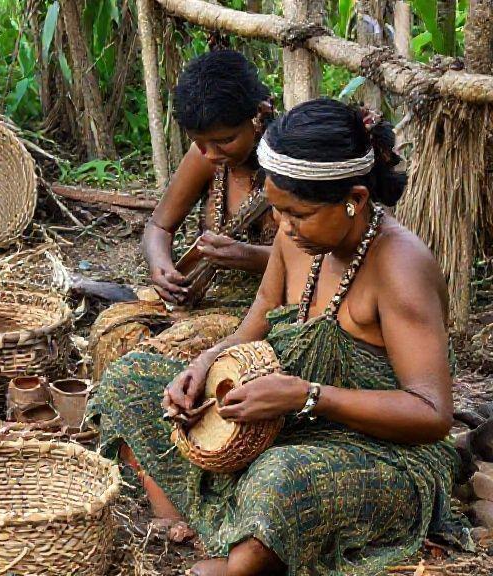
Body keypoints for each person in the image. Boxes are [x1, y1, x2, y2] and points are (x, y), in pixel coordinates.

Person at [88, 98, 471, 575]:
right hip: (288, 424)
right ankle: (192, 527)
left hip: (379, 452)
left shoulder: (400, 266)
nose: (284, 228)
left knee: (280, 480)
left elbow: (432, 415)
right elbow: (253, 328)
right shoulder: (295, 240)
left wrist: (307, 396)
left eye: (299, 214)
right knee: (131, 378)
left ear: (356, 198)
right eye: (278, 211)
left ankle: (240, 553)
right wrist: (202, 365)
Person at [143, 50, 277, 308]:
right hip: (203, 300)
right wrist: (160, 266)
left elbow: (315, 259)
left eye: (226, 140)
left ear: (259, 114)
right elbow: (158, 227)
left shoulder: (287, 165)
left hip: (271, 307)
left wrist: (251, 257)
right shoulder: (204, 157)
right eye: (198, 142)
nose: (211, 154)